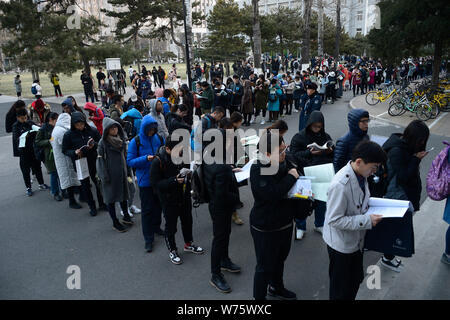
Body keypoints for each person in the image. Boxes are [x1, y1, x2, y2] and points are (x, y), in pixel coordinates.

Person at [323, 141, 386, 300]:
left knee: (355, 280)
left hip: (355, 242)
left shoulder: (360, 174)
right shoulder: (340, 185)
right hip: (341, 246)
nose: (374, 172)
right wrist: (366, 220)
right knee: (340, 289)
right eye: (373, 167)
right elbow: (334, 220)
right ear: (359, 162)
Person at [250, 130, 302, 300]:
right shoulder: (258, 168)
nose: (284, 153)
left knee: (280, 260)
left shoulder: (286, 161)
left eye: (284, 148)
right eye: (280, 151)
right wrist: (291, 177)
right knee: (264, 266)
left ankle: (276, 287)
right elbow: (272, 194)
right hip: (265, 226)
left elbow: (299, 167)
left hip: (285, 222)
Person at [380, 120, 430, 272]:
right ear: (414, 137)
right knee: (394, 229)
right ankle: (387, 258)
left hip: (403, 195)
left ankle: (387, 255)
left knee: (395, 228)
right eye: (421, 140)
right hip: (397, 197)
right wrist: (416, 159)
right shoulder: (397, 150)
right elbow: (403, 176)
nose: (422, 143)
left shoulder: (406, 146)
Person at [150, 135, 204, 265]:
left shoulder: (182, 155)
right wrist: (174, 181)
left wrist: (190, 173)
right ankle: (172, 250)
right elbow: (155, 184)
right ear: (168, 149)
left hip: (184, 195)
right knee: (171, 226)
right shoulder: (158, 161)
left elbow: (187, 168)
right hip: (168, 199)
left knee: (187, 221)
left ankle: (188, 243)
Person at [204, 128, 241, 293]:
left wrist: (229, 171)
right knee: (219, 238)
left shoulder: (208, 157)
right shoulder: (221, 166)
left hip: (214, 204)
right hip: (221, 206)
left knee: (224, 234)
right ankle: (215, 274)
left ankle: (224, 260)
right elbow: (223, 194)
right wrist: (236, 198)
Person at [288, 111, 334, 240]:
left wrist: (330, 151)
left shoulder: (326, 136)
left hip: (321, 172)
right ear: (309, 124)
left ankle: (319, 224)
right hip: (304, 173)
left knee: (321, 201)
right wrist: (309, 153)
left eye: (319, 126)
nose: (317, 129)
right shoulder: (299, 137)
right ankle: (300, 227)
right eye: (314, 126)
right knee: (302, 201)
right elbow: (293, 155)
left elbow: (333, 155)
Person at [127, 115, 165, 253]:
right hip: (145, 181)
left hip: (158, 179)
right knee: (147, 211)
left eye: (153, 129)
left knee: (158, 207)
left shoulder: (159, 138)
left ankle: (156, 228)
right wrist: (146, 159)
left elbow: (165, 152)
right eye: (149, 129)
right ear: (144, 128)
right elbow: (130, 161)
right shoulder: (135, 141)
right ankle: (148, 239)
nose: (151, 132)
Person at [62, 112, 105, 216]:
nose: (80, 127)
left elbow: (100, 144)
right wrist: (74, 152)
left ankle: (102, 203)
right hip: (80, 162)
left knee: (98, 182)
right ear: (73, 124)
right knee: (85, 185)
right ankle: (92, 206)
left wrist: (93, 145)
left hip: (93, 160)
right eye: (77, 125)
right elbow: (65, 150)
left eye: (82, 124)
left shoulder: (92, 130)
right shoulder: (68, 135)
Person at [96, 118, 134, 233]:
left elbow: (125, 156)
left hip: (121, 174)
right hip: (109, 176)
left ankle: (126, 216)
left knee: (123, 195)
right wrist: (104, 176)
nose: (115, 129)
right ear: (107, 130)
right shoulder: (103, 143)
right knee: (111, 199)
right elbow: (100, 161)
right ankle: (115, 222)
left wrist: (127, 170)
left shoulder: (121, 140)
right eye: (112, 128)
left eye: (116, 127)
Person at [12, 109, 49, 196]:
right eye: (22, 118)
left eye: (25, 117)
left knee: (37, 167)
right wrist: (24, 135)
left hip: (33, 149)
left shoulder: (29, 122)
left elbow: (37, 128)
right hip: (23, 152)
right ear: (17, 118)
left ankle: (41, 184)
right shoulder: (15, 126)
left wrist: (37, 129)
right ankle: (28, 188)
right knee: (25, 170)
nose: (24, 120)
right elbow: (16, 138)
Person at [51, 113, 82, 209]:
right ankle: (72, 201)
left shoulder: (56, 129)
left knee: (70, 180)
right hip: (65, 159)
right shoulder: (61, 131)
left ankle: (76, 198)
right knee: (69, 181)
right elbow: (66, 144)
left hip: (61, 158)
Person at [35, 112, 62, 201]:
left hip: (58, 152)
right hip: (49, 155)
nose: (58, 121)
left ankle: (64, 190)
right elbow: (38, 141)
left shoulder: (57, 127)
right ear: (51, 120)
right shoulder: (43, 129)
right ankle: (55, 192)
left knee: (61, 172)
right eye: (56, 119)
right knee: (54, 173)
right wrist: (49, 141)